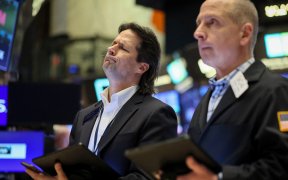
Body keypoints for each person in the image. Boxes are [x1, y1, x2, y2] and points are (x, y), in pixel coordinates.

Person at [25, 22, 178, 180]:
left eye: (123, 48)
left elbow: (147, 177)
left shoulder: (156, 113)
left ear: (142, 67)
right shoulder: (83, 116)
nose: (111, 49)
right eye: (113, 44)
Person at [172, 0, 288, 179]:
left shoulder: (275, 91)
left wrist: (217, 178)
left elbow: (281, 167)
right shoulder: (207, 99)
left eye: (212, 22)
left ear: (245, 34)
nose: (198, 33)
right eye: (199, 24)